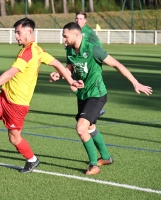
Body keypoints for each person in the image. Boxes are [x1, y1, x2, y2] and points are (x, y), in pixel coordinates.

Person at [0, 18, 84, 174]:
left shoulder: (30, 51)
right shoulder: (36, 50)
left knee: (14, 139)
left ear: (29, 32)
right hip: (5, 96)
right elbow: (57, 64)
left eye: (19, 33)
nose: (16, 36)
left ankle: (32, 159)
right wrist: (70, 80)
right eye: (16, 33)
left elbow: (11, 72)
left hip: (18, 104)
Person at [50, 22, 153, 175]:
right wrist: (60, 74)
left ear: (76, 35)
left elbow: (117, 64)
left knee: (81, 128)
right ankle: (105, 157)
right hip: (82, 95)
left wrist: (135, 83)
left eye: (65, 36)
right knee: (90, 128)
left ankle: (93, 165)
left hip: (97, 95)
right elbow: (71, 66)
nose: (63, 39)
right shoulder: (70, 49)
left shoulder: (93, 49)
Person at [73, 11, 105, 116]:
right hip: (78, 61)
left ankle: (97, 107)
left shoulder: (89, 31)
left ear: (85, 20)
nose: (78, 20)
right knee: (79, 84)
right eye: (77, 18)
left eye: (80, 19)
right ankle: (90, 105)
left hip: (89, 60)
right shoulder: (73, 31)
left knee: (93, 83)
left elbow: (98, 45)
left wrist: (88, 50)